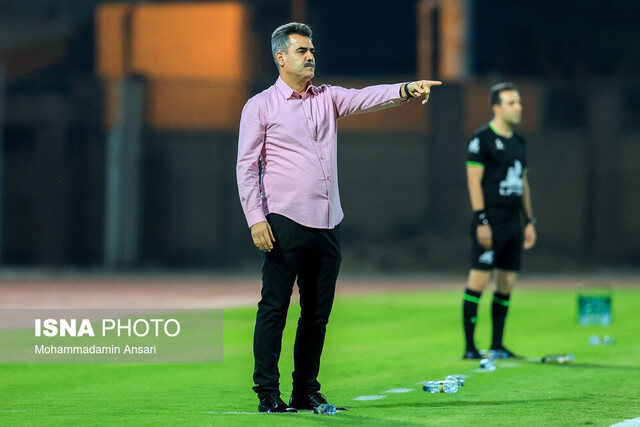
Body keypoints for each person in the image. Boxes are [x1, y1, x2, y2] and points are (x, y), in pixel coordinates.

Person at [236, 22, 441, 413]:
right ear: (280, 58)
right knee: (275, 308)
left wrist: (405, 89)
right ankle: (267, 393)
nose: (311, 56)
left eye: (312, 50)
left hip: (328, 222)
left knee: (316, 316)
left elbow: (366, 98)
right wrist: (255, 218)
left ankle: (305, 391)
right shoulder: (260, 105)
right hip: (283, 221)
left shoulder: (326, 97)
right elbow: (246, 167)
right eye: (301, 51)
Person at [461, 82, 537, 360]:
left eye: (519, 102)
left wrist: (529, 221)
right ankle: (470, 348)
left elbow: (524, 182)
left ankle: (497, 345)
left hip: (513, 222)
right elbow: (474, 182)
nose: (518, 107)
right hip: (490, 219)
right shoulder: (482, 139)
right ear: (496, 107)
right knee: (478, 280)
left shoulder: (519, 142)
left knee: (506, 283)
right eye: (512, 103)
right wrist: (481, 220)